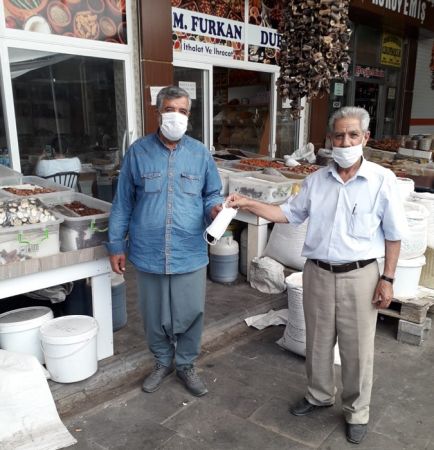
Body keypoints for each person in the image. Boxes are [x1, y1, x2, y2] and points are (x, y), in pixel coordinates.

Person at [227, 106, 405, 444]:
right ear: (330, 139)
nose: (345, 141)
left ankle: (357, 411)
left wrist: (388, 279)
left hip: (361, 276)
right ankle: (319, 394)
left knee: (357, 349)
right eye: (339, 135)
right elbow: (286, 213)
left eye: (353, 135)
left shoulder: (382, 181)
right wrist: (247, 203)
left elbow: (394, 235)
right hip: (318, 273)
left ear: (366, 138)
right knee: (318, 341)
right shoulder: (315, 181)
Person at [107, 86, 223, 397]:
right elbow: (123, 203)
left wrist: (215, 208)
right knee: (154, 315)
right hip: (149, 250)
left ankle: (185, 364)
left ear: (189, 115)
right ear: (158, 112)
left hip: (189, 249)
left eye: (183, 111)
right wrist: (116, 245)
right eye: (170, 109)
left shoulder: (200, 154)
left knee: (191, 312)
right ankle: (161, 361)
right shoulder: (138, 152)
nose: (176, 116)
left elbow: (212, 193)